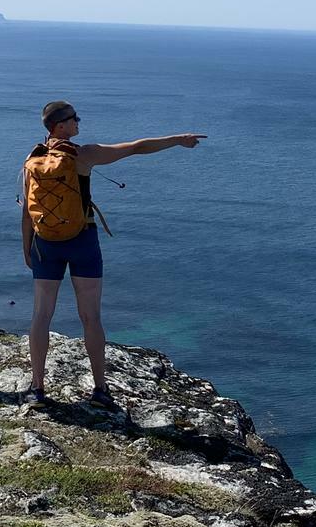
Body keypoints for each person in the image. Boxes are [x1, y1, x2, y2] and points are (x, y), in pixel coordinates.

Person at [21, 99, 204, 408]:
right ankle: (100, 390)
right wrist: (177, 140)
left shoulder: (32, 160)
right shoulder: (84, 154)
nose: (79, 122)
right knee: (90, 317)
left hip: (45, 243)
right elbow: (135, 147)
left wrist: (27, 248)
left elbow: (27, 211)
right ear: (60, 126)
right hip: (82, 240)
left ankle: (37, 389)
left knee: (41, 315)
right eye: (74, 118)